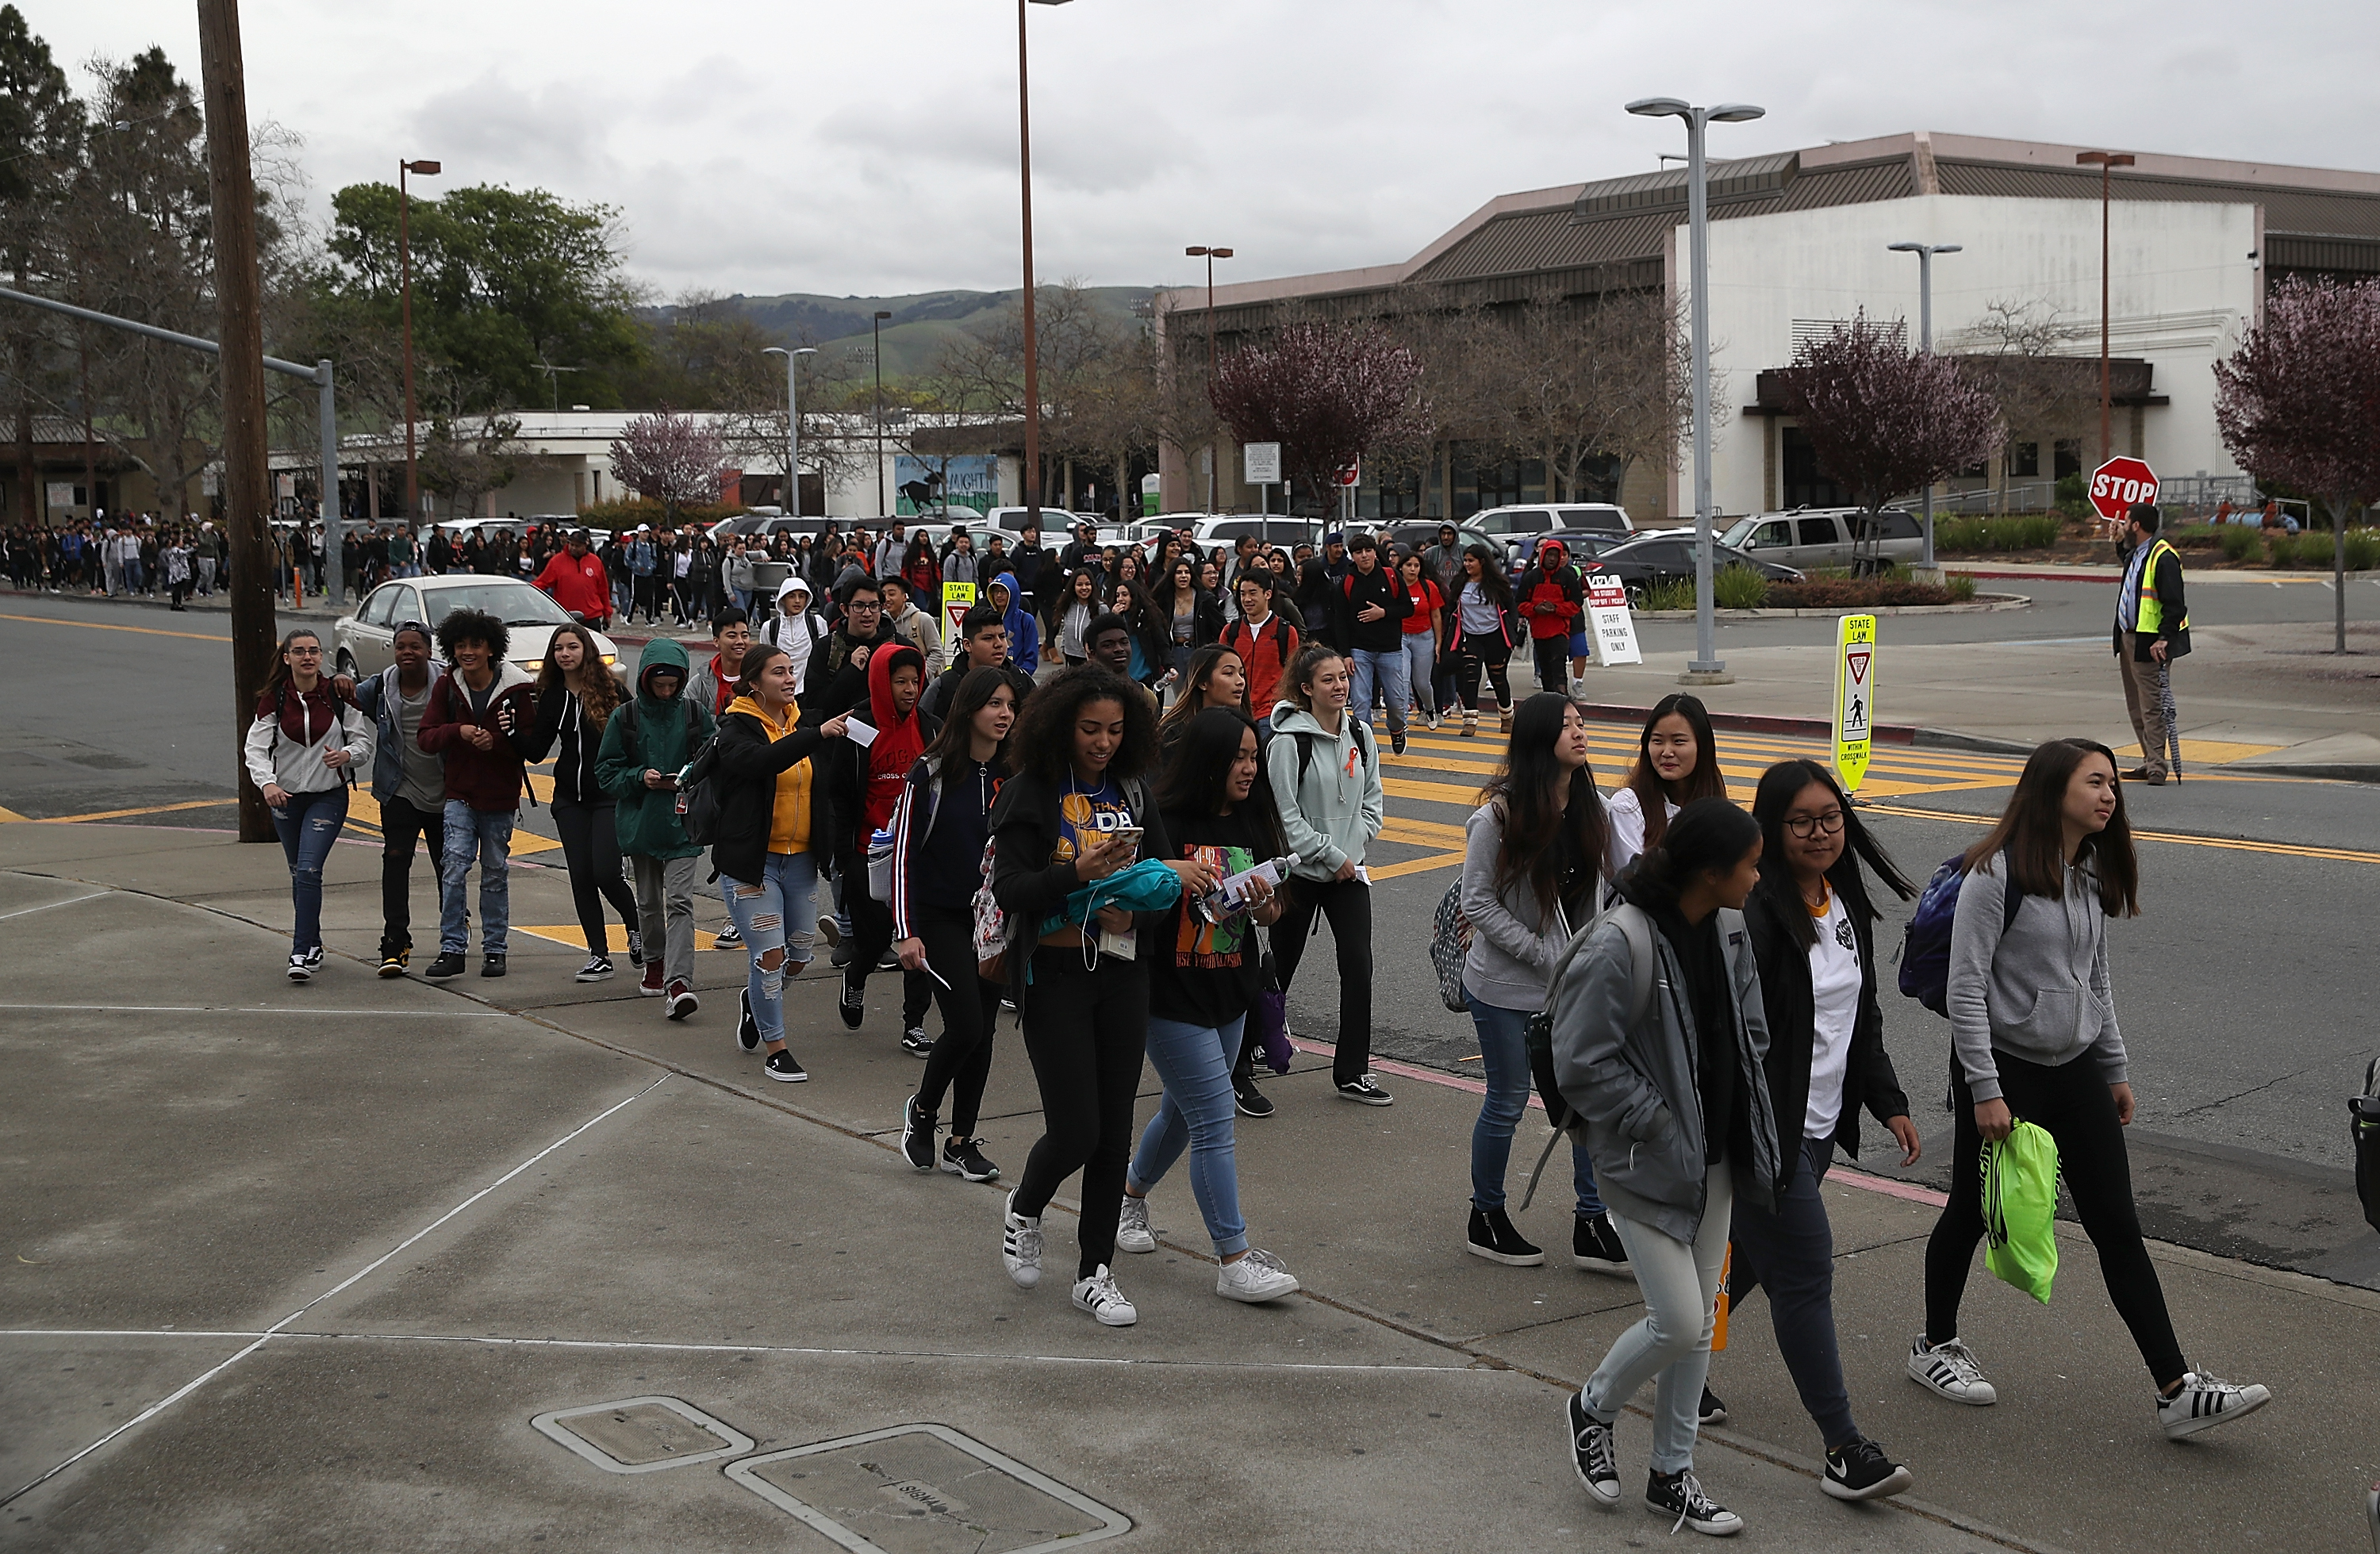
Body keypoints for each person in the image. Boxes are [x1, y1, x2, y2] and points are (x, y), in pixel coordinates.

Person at [1912, 738, 2272, 1438]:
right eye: (2095, 782)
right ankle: (1935, 1344)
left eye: (2113, 784)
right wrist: (1985, 1088)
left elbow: (2095, 979)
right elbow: (1965, 988)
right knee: (1974, 1208)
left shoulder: (2087, 870)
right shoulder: (1996, 873)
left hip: (2075, 1067)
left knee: (2116, 1224)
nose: (2110, 795)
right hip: (2007, 1069)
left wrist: (2115, 1067)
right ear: (2053, 790)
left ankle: (2176, 1387)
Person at [1552, 798, 1779, 1538]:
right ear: (1711, 871)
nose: (1759, 873)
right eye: (1750, 862)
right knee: (1680, 1319)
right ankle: (1594, 1403)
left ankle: (1671, 1472)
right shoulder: (1621, 943)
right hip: (1643, 1161)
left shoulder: (1731, 927)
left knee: (1700, 1322)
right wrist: (1654, 1117)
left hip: (1713, 1157)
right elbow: (1581, 1064)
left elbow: (1750, 1028)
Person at [990, 668, 1219, 1326]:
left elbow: (1168, 882)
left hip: (1123, 974)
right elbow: (1012, 890)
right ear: (1061, 724)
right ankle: (1026, 1205)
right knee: (1078, 1129)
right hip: (1055, 976)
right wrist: (1076, 874)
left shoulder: (1133, 791)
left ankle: (1094, 1272)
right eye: (1090, 729)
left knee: (1114, 1131)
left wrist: (1134, 915)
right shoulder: (1030, 792)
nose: (1103, 742)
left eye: (1116, 730)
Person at [1722, 758, 1921, 1501]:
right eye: (1802, 821)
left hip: (1817, 1125)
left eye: (1831, 818)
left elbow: (1857, 1016)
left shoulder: (1843, 904)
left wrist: (1887, 1100)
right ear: (1771, 830)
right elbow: (1738, 1039)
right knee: (1804, 1272)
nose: (1820, 832)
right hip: (1765, 1133)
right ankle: (1844, 1446)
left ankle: (1671, 1364)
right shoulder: (1757, 915)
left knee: (1741, 1265)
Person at [1114, 707, 1303, 1303]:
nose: (1249, 768)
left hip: (1231, 990)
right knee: (1215, 1120)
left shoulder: (1252, 818)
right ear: (1208, 762)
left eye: (1254, 757)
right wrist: (1174, 875)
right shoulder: (1165, 819)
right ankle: (1234, 1257)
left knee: (1181, 1112)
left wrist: (1266, 903)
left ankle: (1130, 1199)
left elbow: (1271, 913)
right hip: (1171, 996)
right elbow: (1133, 897)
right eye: (1238, 758)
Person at [1459, 693, 1627, 1272]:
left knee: (1586, 1102)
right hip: (1506, 986)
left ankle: (1592, 1220)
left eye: (1583, 721)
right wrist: (1542, 953)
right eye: (1566, 724)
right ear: (1537, 737)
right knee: (1506, 1101)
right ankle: (1486, 1214)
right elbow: (1476, 900)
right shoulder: (1497, 817)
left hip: (1576, 986)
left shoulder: (1593, 807)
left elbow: (1617, 884)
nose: (1580, 730)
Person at [893, 666, 1019, 1178]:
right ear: (968, 710)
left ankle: (962, 1140)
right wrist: (905, 930)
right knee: (965, 1024)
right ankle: (923, 1112)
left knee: (984, 1032)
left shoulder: (1016, 774)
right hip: (940, 919)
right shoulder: (932, 771)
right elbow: (901, 855)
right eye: (994, 704)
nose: (1004, 714)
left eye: (1010, 704)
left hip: (994, 921)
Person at [1259, 644, 1391, 1107]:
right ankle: (1256, 1041)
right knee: (1280, 961)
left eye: (1343, 677)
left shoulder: (1360, 732)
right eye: (1328, 680)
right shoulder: (1287, 743)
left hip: (1348, 875)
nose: (1339, 686)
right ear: (1306, 688)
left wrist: (1355, 846)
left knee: (1358, 964)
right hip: (1302, 873)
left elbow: (1372, 799)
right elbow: (1286, 818)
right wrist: (1331, 855)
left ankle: (1353, 1071)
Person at [712, 641, 842, 1083]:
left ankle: (755, 1001)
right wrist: (814, 735)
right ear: (753, 683)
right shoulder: (736, 728)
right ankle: (776, 1047)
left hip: (800, 860)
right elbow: (760, 763)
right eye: (777, 672)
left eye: (791, 670)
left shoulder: (801, 723)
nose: (789, 679)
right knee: (770, 954)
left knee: (800, 956)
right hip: (753, 864)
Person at [826, 643, 939, 1053]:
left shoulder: (929, 727)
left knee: (917, 939)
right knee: (874, 942)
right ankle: (855, 978)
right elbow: (839, 793)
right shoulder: (859, 724)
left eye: (915, 680)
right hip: (869, 853)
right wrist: (841, 856)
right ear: (881, 681)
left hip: (918, 855)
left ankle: (914, 1023)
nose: (910, 689)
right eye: (900, 681)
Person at [595, 638, 715, 1019]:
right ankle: (654, 961)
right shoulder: (625, 717)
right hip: (641, 823)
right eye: (658, 684)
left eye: (672, 684)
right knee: (648, 902)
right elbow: (605, 771)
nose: (666, 692)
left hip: (683, 824)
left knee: (680, 901)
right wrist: (637, 777)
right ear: (646, 680)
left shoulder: (694, 714)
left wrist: (687, 775)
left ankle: (679, 981)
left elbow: (714, 756)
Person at [244, 628, 372, 981]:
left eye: (313, 651)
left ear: (321, 656)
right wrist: (267, 783)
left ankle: (301, 951)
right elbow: (254, 748)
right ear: (286, 658)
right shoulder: (275, 698)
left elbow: (362, 743)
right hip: (285, 800)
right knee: (299, 874)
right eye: (298, 651)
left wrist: (346, 755)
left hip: (328, 796)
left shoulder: (337, 695)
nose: (307, 657)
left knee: (309, 869)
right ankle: (313, 942)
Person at [516, 623, 642, 982]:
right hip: (569, 799)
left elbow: (636, 737)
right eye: (559, 648)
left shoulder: (611, 690)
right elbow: (538, 751)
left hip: (607, 797)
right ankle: (599, 955)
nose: (565, 654)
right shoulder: (553, 696)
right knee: (581, 877)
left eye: (572, 646)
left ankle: (635, 930)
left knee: (605, 871)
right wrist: (510, 733)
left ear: (586, 650)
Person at [419, 609, 537, 980]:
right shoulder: (446, 686)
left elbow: (531, 746)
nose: (468, 651)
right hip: (459, 794)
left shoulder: (517, 688)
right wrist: (458, 731)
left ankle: (495, 950)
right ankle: (452, 947)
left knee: (495, 871)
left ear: (491, 649)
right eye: (461, 645)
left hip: (500, 796)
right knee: (453, 866)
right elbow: (426, 736)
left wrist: (497, 743)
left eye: (476, 644)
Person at [349, 620, 448, 977]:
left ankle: (453, 936)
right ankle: (395, 943)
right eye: (401, 646)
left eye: (415, 646)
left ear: (428, 651)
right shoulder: (379, 686)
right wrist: (341, 685)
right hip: (399, 788)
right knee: (395, 862)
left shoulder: (449, 684)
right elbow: (338, 699)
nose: (408, 652)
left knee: (447, 867)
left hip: (445, 790)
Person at [2111, 502, 2187, 787]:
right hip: (2129, 637)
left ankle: (2157, 765)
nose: (2124, 524)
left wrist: (2164, 638)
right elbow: (2132, 576)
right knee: (2136, 705)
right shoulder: (2138, 553)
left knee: (2152, 705)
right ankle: (2149, 759)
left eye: (2127, 521)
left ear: (2137, 526)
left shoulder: (2163, 556)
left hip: (2150, 641)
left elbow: (2175, 604)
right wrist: (2119, 543)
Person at [1609, 693, 1727, 877]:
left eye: (1678, 741)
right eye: (1657, 741)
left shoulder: (1716, 806)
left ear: (1703, 746)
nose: (1666, 752)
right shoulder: (1627, 806)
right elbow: (1633, 883)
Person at [1337, 533, 1414, 755]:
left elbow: (1407, 608)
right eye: (1359, 553)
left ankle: (1397, 729)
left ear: (1374, 552)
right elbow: (1340, 620)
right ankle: (1366, 746)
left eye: (1368, 551)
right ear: (1353, 557)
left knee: (1396, 701)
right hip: (1360, 650)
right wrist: (1345, 654)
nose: (1364, 556)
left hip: (1390, 648)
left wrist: (1383, 613)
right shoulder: (1348, 582)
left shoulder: (1391, 576)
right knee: (1361, 702)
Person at [1446, 545, 1519, 738]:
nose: (1467, 564)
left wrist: (1512, 630)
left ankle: (1507, 717)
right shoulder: (1459, 583)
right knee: (1471, 677)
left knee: (1498, 678)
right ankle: (1470, 721)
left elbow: (1511, 608)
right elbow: (1451, 608)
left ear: (1482, 562)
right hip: (1470, 637)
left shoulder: (1498, 584)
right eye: (1466, 561)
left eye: (1471, 561)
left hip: (1495, 636)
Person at [922, 601, 1031, 724]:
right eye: (988, 638)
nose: (998, 644)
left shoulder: (1021, 680)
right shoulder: (945, 686)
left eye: (1002, 636)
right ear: (967, 645)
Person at [1219, 572, 1299, 739]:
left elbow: (1293, 675)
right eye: (1243, 594)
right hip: (1236, 709)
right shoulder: (1231, 631)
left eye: (1253, 593)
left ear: (1267, 594)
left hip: (1270, 712)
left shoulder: (1285, 632)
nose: (1247, 599)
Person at [1517, 538, 1584, 698]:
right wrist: (1535, 609)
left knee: (1558, 666)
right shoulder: (1531, 577)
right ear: (1543, 555)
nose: (1552, 559)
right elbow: (1519, 604)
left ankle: (1563, 700)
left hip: (1560, 631)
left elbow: (1576, 604)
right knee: (1546, 671)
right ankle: (1548, 702)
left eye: (1556, 555)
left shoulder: (1567, 577)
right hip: (1539, 632)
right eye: (1549, 555)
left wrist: (1557, 609)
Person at [1156, 644, 1251, 755]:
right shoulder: (1172, 734)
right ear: (1203, 683)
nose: (1240, 681)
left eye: (1242, 674)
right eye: (1229, 673)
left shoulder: (1245, 729)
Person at [1397, 549, 1446, 732]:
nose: (1412, 569)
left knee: (1422, 682)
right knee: (1402, 678)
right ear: (1401, 567)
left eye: (1416, 566)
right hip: (1401, 637)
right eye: (1408, 565)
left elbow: (1436, 615)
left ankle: (1430, 709)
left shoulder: (1428, 586)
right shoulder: (1396, 586)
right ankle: (1402, 720)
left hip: (1424, 637)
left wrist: (1438, 643)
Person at [532, 529, 612, 627]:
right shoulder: (557, 561)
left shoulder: (595, 561)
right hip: (566, 616)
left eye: (577, 546)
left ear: (585, 545)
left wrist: (607, 613)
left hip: (591, 616)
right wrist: (527, 590)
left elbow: (603, 589)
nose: (573, 548)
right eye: (571, 544)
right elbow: (542, 582)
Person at [689, 607, 754, 717]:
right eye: (732, 636)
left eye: (745, 636)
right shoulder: (699, 684)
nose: (740, 641)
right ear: (716, 641)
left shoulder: (762, 678)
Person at [881, 574, 946, 677]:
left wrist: (922, 676)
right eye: (883, 595)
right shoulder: (881, 621)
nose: (887, 599)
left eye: (892, 594)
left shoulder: (923, 620)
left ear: (905, 597)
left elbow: (937, 652)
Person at [989, 572, 1039, 677]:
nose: (999, 595)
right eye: (996, 591)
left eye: (1004, 591)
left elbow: (1031, 657)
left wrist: (1019, 677)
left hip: (1017, 679)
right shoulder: (986, 618)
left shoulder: (1026, 620)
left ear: (1013, 593)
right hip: (990, 678)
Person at [1050, 566, 1100, 668]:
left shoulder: (1101, 608)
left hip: (1092, 660)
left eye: (1088, 584)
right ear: (1073, 587)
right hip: (1071, 658)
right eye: (1079, 585)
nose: (1084, 588)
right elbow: (1065, 629)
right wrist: (1064, 648)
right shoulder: (1068, 606)